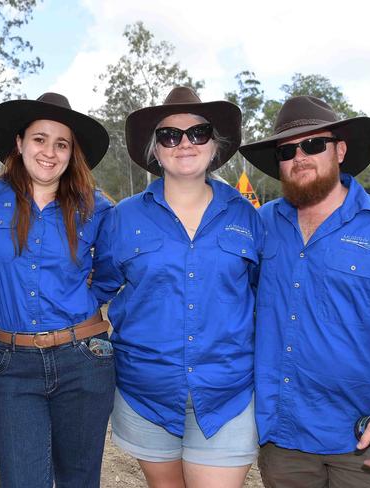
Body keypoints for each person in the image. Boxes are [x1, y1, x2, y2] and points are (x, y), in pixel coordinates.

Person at [239, 95, 370, 487]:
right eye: (287, 150)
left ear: (339, 150)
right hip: (283, 439)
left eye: (313, 144)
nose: (299, 156)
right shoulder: (262, 224)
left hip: (364, 436)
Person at [92, 86, 262, 488]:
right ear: (156, 149)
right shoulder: (122, 218)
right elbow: (95, 288)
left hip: (227, 395)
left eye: (198, 133)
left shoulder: (248, 216)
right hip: (145, 394)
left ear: (214, 145)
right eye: (170, 135)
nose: (184, 143)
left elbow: (263, 296)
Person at [0, 92, 115, 488]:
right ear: (19, 143)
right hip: (15, 363)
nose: (49, 151)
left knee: (79, 482)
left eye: (61, 143)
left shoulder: (95, 207)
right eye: (39, 139)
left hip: (83, 357)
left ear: (72, 153)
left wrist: (85, 298)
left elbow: (113, 272)